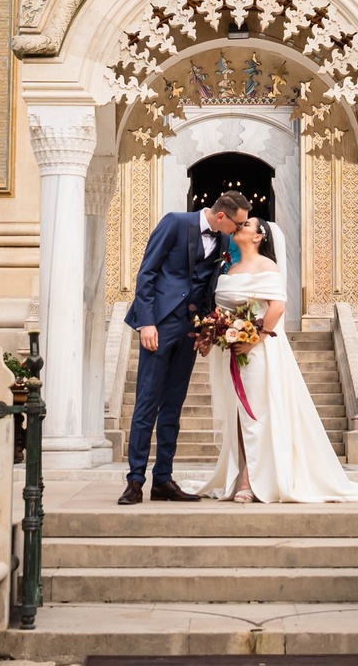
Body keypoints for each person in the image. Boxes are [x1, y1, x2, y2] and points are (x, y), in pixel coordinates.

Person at [197, 212, 358, 505]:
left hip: (258, 351)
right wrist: (219, 331)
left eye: (245, 225)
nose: (239, 227)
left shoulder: (266, 265)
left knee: (255, 413)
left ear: (258, 236)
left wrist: (252, 339)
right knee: (240, 415)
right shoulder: (230, 269)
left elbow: (277, 308)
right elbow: (224, 309)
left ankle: (251, 481)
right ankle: (243, 471)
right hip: (233, 350)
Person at [118, 190, 244, 505]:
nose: (238, 230)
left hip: (189, 331)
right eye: (236, 224)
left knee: (173, 405)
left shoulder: (224, 242)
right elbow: (147, 272)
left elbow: (207, 289)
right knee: (147, 402)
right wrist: (146, 323)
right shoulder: (174, 223)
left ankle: (163, 480)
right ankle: (135, 481)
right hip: (159, 324)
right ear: (220, 216)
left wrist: (205, 332)